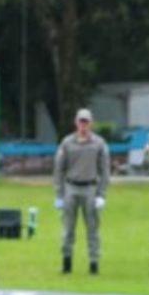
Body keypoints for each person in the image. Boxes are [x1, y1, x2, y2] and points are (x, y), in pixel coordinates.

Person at [53, 107, 110, 275]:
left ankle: (94, 263)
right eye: (81, 122)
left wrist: (101, 194)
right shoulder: (67, 143)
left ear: (91, 123)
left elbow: (104, 170)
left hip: (90, 187)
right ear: (76, 123)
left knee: (92, 228)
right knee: (68, 228)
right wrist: (59, 194)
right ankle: (67, 262)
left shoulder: (99, 143)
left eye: (86, 122)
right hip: (71, 187)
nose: (83, 125)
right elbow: (59, 169)